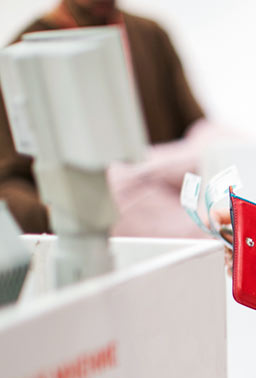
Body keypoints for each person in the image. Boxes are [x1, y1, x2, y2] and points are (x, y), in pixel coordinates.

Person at [0, 0, 211, 237]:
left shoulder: (150, 36)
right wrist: (62, 215)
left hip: (168, 230)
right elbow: (7, 182)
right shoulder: (23, 56)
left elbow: (197, 131)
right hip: (81, 240)